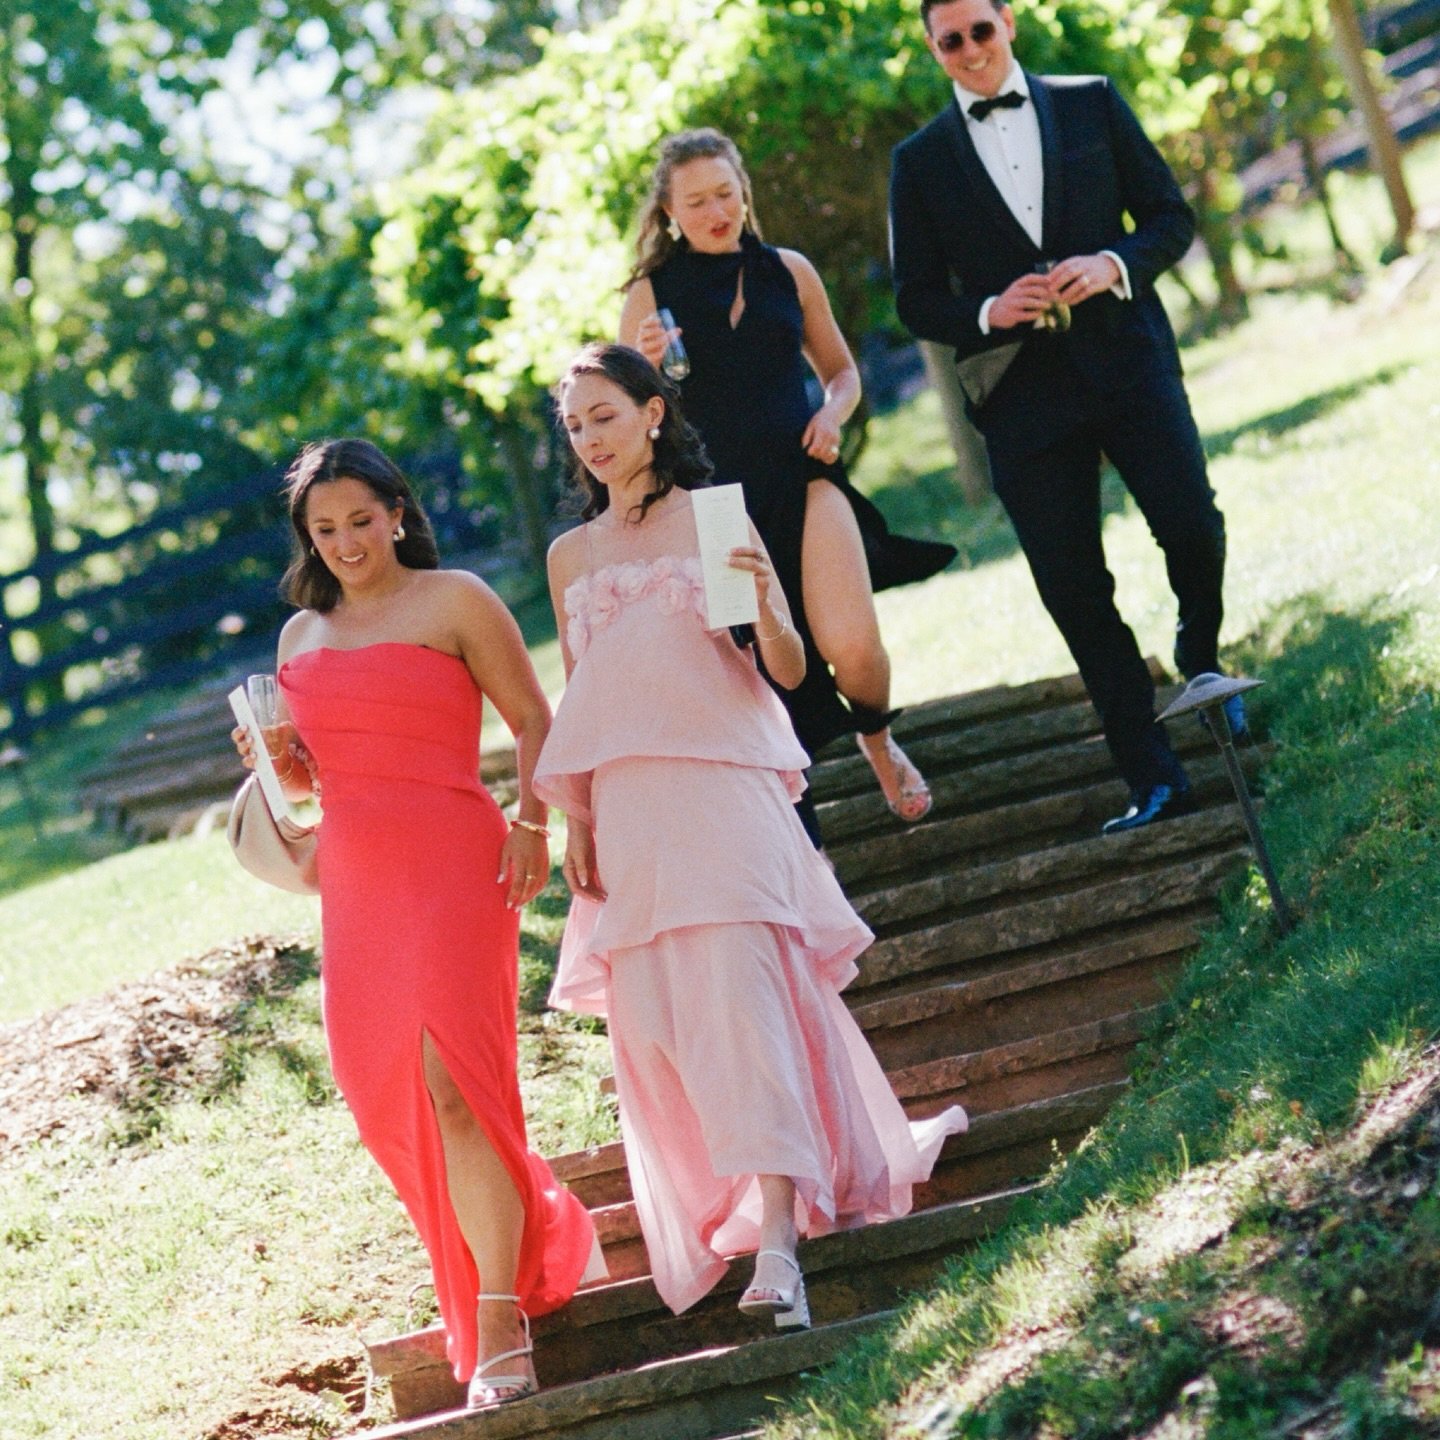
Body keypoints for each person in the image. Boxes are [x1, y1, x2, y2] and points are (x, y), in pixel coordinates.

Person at [534, 344, 967, 1320]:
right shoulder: (569, 557)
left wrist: (769, 604)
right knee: (662, 1027)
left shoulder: (715, 518)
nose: (591, 439)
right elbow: (583, 691)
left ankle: (779, 1244)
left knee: (743, 1006)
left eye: (605, 416)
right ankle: (753, 1197)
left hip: (724, 793)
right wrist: (578, 819)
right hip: (629, 814)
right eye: (575, 426)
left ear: (652, 413)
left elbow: (784, 667)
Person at [230, 438, 598, 1410]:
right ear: (307, 538)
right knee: (383, 1095)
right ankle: (508, 1246)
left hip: (452, 867)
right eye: (325, 529)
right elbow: (314, 779)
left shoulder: (457, 600)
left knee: (456, 1088)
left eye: (362, 519)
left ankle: (498, 1319)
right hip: (357, 883)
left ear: (398, 513)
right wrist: (273, 761)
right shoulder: (298, 638)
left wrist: (532, 823)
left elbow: (534, 719)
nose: (347, 542)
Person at [888, 0, 1239, 833]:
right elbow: (915, 300)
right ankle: (1151, 774)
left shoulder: (1093, 100)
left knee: (1192, 523)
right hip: (1021, 399)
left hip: (1129, 362)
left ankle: (1199, 657)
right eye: (951, 41)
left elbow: (1170, 219)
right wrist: (988, 311)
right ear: (934, 50)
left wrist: (1113, 261)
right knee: (1074, 588)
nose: (971, 50)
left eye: (981, 30)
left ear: (1008, 23)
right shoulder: (919, 161)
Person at [620, 127, 957, 842]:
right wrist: (639, 365)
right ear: (669, 212)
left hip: (804, 474)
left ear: (744, 191)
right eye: (697, 202)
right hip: (715, 507)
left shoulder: (789, 271)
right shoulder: (649, 295)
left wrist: (833, 414)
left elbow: (842, 373)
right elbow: (627, 422)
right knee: (762, 673)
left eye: (726, 194)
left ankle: (877, 739)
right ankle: (802, 849)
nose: (717, 212)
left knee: (855, 648)